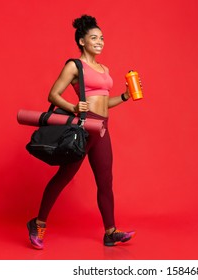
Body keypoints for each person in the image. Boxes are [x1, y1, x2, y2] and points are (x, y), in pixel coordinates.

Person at [27, 14, 137, 249]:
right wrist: (73, 107)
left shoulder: (104, 68)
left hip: (102, 130)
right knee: (64, 177)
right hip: (84, 129)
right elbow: (53, 94)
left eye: (102, 38)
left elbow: (103, 103)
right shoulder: (74, 65)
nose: (100, 41)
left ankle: (110, 232)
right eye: (94, 38)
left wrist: (125, 96)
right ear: (82, 42)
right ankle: (38, 223)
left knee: (105, 182)